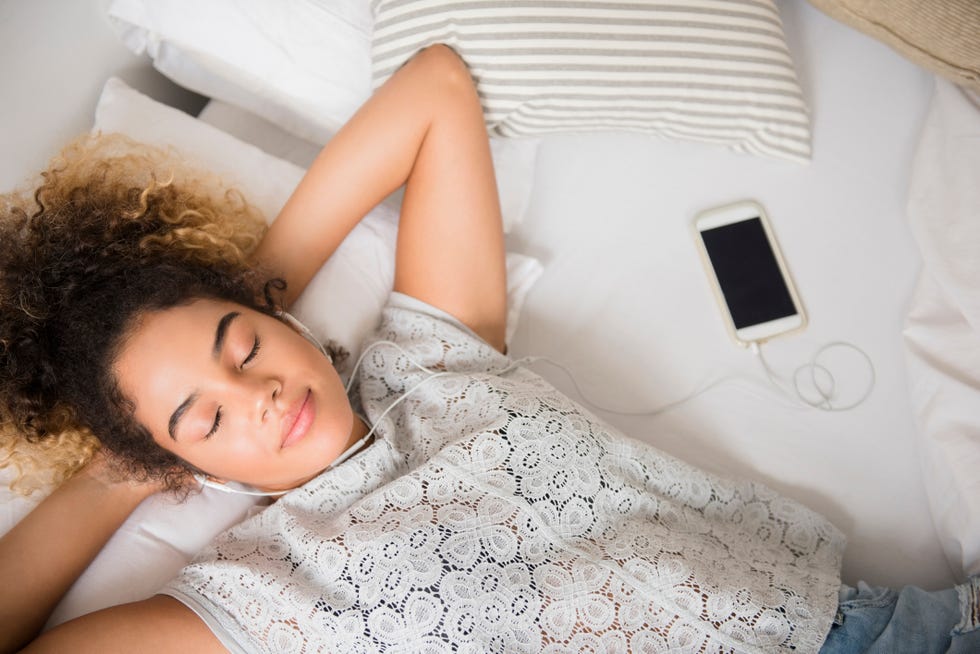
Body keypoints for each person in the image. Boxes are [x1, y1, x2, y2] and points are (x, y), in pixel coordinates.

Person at [0, 45, 976, 654]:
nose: (254, 394)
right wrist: (131, 467)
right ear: (179, 465)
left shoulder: (430, 358)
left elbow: (432, 89)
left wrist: (245, 295)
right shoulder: (255, 598)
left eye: (241, 347)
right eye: (205, 417)